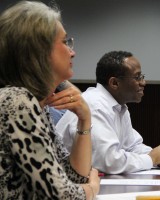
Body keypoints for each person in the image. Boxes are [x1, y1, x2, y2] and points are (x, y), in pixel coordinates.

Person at [0, 1, 99, 199]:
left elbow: (74, 176)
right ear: (38, 52)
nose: (73, 52)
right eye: (64, 42)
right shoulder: (17, 101)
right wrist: (92, 189)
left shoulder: (38, 104)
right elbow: (60, 195)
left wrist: (85, 118)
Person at [56, 50, 160, 174]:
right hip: (64, 182)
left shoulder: (119, 106)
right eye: (137, 77)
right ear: (114, 83)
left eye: (142, 77)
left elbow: (132, 146)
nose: (143, 82)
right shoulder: (94, 106)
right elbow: (108, 161)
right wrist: (150, 159)